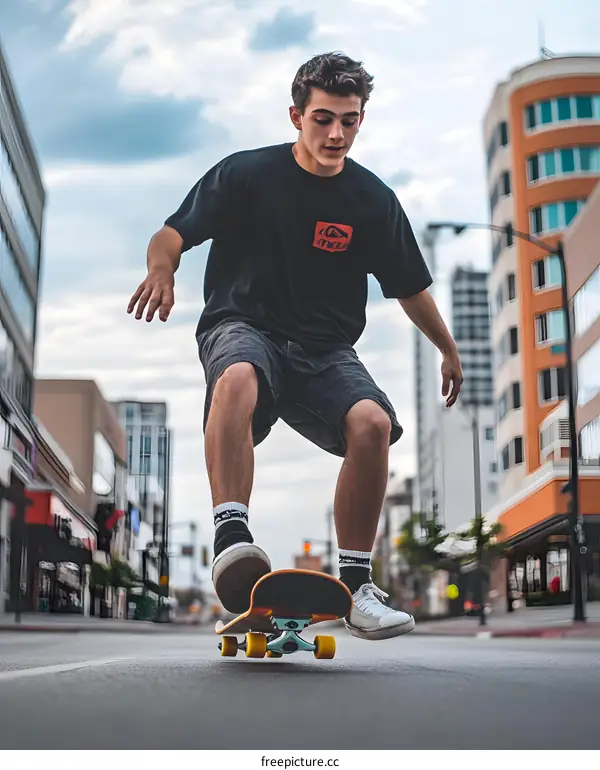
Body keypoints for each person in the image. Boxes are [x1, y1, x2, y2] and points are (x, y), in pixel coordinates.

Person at [127, 52, 463, 641]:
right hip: (243, 324)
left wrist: (448, 349)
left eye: (350, 121)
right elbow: (171, 233)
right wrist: (162, 271)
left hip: (325, 348)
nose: (336, 134)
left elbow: (410, 288)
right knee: (236, 379)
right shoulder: (245, 174)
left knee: (372, 423)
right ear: (296, 115)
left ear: (362, 119)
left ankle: (358, 585)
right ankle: (232, 536)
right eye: (324, 119)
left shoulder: (372, 201)